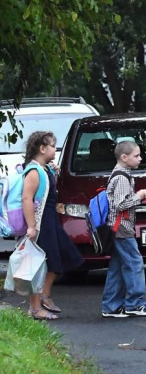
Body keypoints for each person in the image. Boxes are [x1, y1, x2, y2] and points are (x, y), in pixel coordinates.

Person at [21, 131, 84, 321]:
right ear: (42, 148)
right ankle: (35, 308)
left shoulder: (45, 169)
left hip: (51, 221)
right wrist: (31, 226)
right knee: (39, 264)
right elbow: (27, 198)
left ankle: (44, 296)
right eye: (52, 146)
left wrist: (53, 173)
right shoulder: (33, 171)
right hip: (41, 223)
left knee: (59, 257)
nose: (55, 149)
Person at [101, 140, 146, 317]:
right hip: (122, 227)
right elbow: (120, 204)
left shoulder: (119, 174)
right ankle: (135, 303)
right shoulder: (121, 177)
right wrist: (139, 196)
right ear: (124, 157)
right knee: (134, 263)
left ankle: (111, 306)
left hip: (116, 227)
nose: (140, 159)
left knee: (118, 267)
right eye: (137, 155)